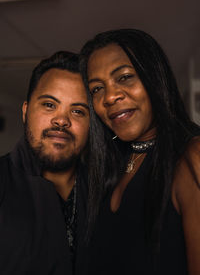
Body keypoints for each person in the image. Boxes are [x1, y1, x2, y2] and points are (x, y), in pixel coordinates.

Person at [79, 29, 200, 275]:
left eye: (124, 77)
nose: (110, 96)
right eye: (97, 89)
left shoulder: (191, 157)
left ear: (155, 77)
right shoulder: (109, 169)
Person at [0, 51, 89, 274]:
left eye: (77, 111)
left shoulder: (110, 192)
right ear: (25, 111)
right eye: (50, 105)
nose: (62, 120)